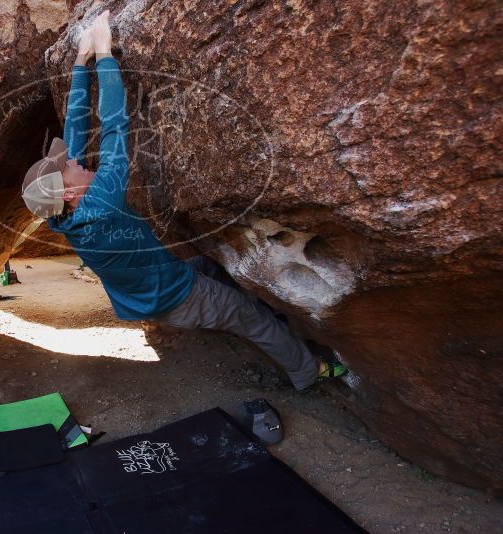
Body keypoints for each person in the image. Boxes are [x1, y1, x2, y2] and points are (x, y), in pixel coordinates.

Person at [21, 10, 346, 391]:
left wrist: (82, 60)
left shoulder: (63, 212)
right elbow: (114, 127)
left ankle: (270, 314)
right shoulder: (102, 203)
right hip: (178, 297)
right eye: (68, 167)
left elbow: (73, 131)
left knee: (213, 267)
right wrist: (105, 54)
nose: (74, 160)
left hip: (157, 286)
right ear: (71, 193)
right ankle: (309, 371)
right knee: (251, 320)